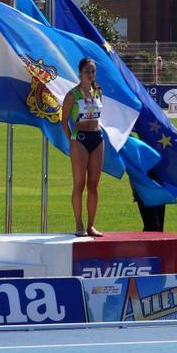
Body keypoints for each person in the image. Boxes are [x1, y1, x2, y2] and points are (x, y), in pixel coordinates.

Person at [61, 57, 105, 237]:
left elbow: (98, 117)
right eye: (87, 71)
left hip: (97, 138)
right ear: (80, 72)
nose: (90, 74)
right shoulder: (72, 94)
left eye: (93, 71)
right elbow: (63, 121)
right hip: (79, 139)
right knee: (79, 183)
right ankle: (79, 224)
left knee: (93, 185)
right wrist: (71, 140)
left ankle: (91, 225)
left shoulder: (98, 93)